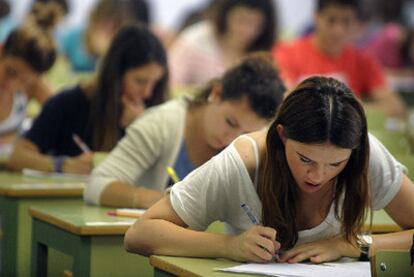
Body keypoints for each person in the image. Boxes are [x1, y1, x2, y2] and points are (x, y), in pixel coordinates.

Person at [124, 76, 414, 264]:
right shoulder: (244, 160)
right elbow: (140, 234)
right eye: (305, 159)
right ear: (282, 135)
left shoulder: (365, 152)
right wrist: (229, 245)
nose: (318, 176)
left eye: (336, 164)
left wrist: (350, 244)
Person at [84, 54, 285, 209]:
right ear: (216, 94)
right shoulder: (163, 123)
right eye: (230, 123)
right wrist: (167, 203)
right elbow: (96, 186)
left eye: (246, 134)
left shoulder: (258, 145)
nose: (232, 139)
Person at [7, 24, 168, 174]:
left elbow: (169, 173)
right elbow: (18, 157)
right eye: (140, 81)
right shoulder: (70, 103)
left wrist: (142, 129)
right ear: (116, 75)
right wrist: (62, 165)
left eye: (156, 83)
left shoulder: (153, 110)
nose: (148, 92)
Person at [273, 0, 406, 118]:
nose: (338, 30)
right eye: (331, 20)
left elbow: (395, 107)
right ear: (316, 17)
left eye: (346, 22)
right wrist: (350, 108)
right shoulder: (287, 53)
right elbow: (284, 100)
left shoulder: (363, 61)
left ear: (357, 25)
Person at [168, 0, 277, 87]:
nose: (247, 30)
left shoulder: (262, 51)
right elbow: (170, 85)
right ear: (225, 15)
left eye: (257, 24)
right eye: (241, 20)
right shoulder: (195, 41)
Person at [0, 7, 58, 144]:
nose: (12, 84)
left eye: (25, 81)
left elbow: (64, 115)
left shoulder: (34, 88)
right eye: (11, 71)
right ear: (1, 51)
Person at [58, 0, 147, 72]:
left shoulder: (128, 52)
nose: (108, 28)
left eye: (116, 25)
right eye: (104, 23)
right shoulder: (71, 38)